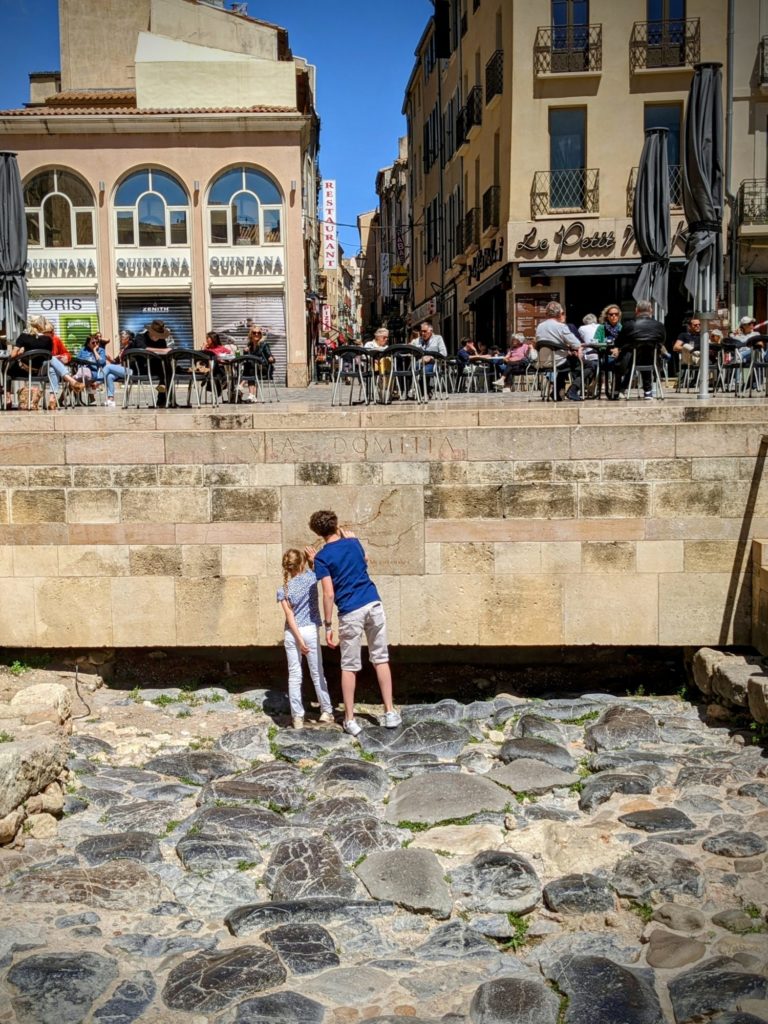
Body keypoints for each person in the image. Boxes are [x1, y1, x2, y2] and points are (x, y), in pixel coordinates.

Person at [308, 509, 401, 736]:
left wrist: (328, 625)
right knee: (381, 658)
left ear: (317, 532)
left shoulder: (322, 557)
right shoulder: (354, 542)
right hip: (373, 603)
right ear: (336, 524)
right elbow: (363, 561)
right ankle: (389, 711)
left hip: (351, 610)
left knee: (349, 665)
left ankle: (350, 718)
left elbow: (328, 593)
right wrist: (351, 540)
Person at [277, 548, 335, 730]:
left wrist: (297, 638)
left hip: (291, 633)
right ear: (302, 563)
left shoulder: (283, 589)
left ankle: (297, 717)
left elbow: (290, 616)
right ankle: (326, 710)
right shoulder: (311, 579)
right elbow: (320, 572)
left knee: (294, 675)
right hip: (309, 629)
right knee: (317, 672)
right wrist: (314, 558)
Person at [535, 301, 593, 401]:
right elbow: (576, 344)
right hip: (558, 361)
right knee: (589, 365)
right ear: (559, 314)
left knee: (565, 363)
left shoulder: (540, 326)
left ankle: (556, 392)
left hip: (543, 361)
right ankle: (573, 389)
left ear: (546, 313)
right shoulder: (561, 326)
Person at [614, 299, 665, 399]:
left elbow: (619, 342)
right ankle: (648, 391)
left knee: (634, 354)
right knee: (645, 355)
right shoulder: (659, 325)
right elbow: (662, 341)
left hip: (630, 360)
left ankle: (620, 389)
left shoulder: (629, 325)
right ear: (651, 310)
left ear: (636, 310)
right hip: (652, 360)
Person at [76, 333, 128, 408]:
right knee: (75, 379)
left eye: (97, 342)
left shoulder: (100, 350)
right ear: (88, 343)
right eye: (93, 343)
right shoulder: (83, 350)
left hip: (95, 373)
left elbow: (102, 362)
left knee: (106, 369)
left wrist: (94, 351)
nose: (95, 344)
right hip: (82, 372)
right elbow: (77, 361)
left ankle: (96, 384)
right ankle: (110, 400)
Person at [132, 319, 173, 406]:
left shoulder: (161, 341)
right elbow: (144, 348)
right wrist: (163, 350)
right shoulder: (140, 337)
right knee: (166, 371)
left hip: (158, 367)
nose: (157, 337)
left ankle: (163, 398)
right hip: (142, 367)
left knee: (168, 372)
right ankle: (164, 399)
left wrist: (166, 351)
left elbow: (165, 352)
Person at [241, 326, 275, 401]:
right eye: (254, 333)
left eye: (258, 333)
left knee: (251, 367)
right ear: (251, 334)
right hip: (253, 369)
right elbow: (246, 358)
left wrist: (271, 358)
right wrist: (245, 351)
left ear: (261, 335)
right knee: (249, 366)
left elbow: (269, 355)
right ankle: (252, 396)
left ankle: (241, 384)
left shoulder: (264, 345)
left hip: (263, 368)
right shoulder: (249, 345)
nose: (256, 334)